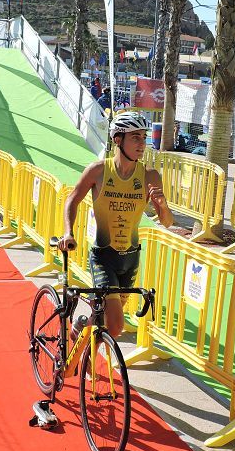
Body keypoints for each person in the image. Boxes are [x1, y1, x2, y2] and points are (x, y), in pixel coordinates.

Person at [61, 111, 173, 340]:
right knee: (116, 325)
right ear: (118, 140)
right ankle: (87, 365)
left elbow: (168, 223)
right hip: (104, 256)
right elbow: (72, 199)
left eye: (144, 137)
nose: (142, 143)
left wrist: (161, 205)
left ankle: (81, 328)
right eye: (135, 137)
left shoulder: (150, 176)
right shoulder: (98, 171)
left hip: (131, 259)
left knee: (104, 318)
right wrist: (68, 232)